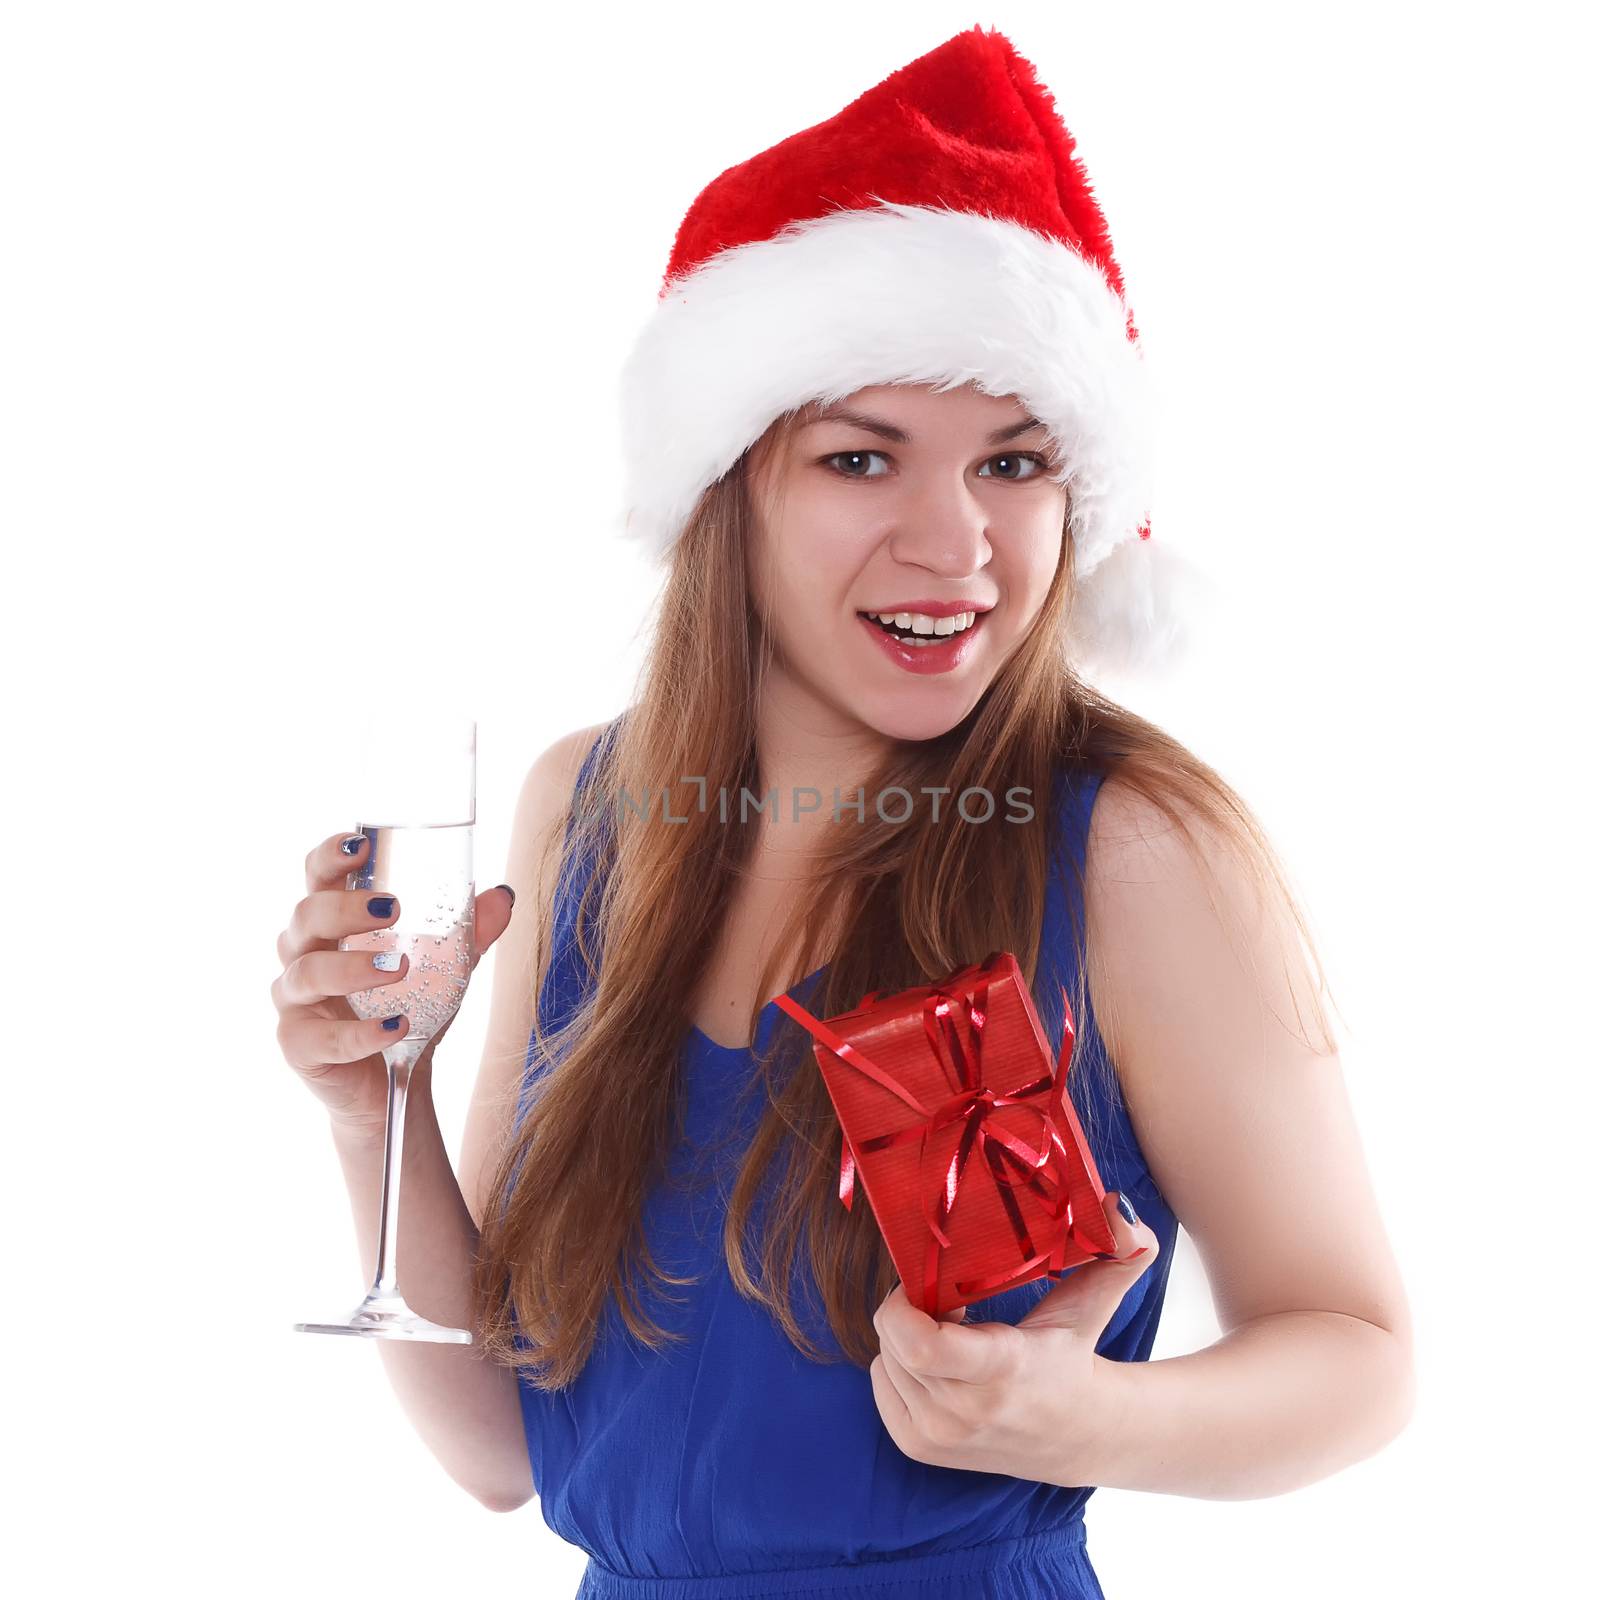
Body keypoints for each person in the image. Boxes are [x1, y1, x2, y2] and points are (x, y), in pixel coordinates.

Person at [271, 25, 1414, 1598]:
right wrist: (370, 1110)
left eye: (1013, 462)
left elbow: (1358, 1356)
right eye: (864, 457)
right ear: (733, 487)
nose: (958, 544)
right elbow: (502, 1452)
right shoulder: (586, 810)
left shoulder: (1130, 844)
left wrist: (1094, 1417)